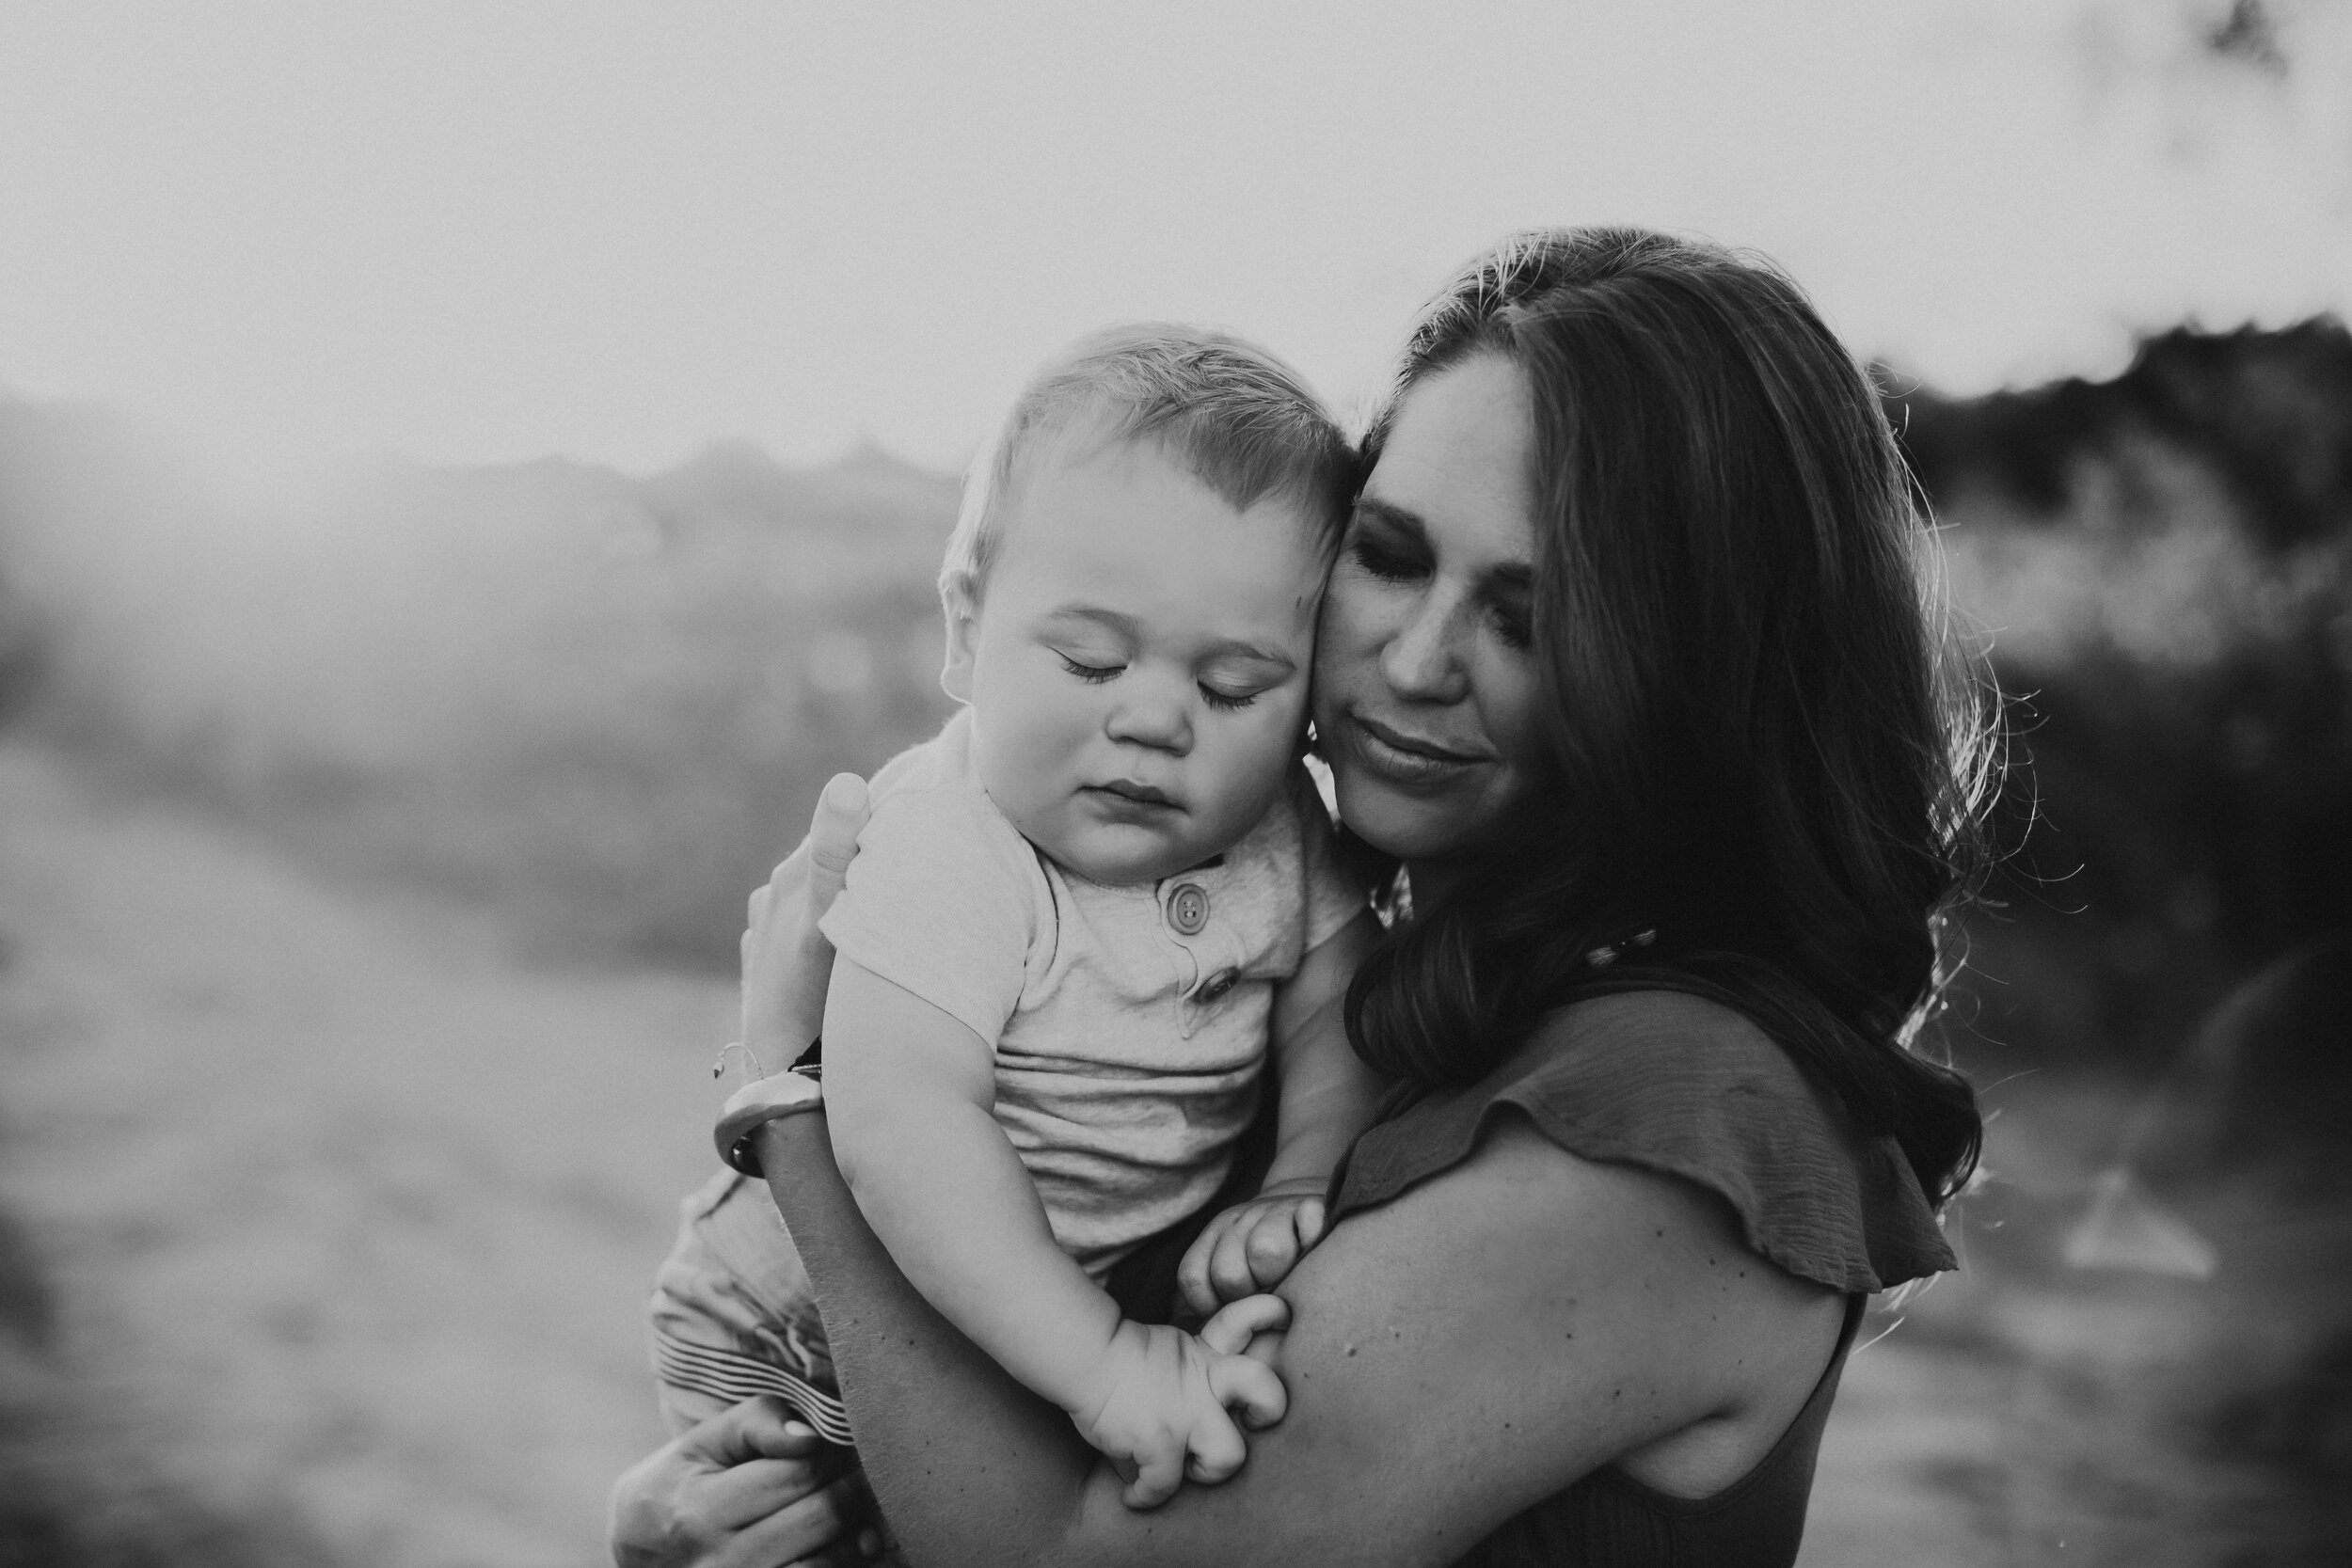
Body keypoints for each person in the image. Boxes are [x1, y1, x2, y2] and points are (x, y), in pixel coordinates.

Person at [612, 225, 1996, 1567]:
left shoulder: (1670, 1117)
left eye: (1529, 614)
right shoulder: (1372, 970)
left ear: (1702, 675)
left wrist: (790, 1093)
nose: (1412, 658)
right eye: (1388, 555)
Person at [645, 324, 1388, 1510]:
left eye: (1232, 685)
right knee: (826, 1523)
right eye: (1092, 661)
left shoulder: (1283, 828)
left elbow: (1331, 1001)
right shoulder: (952, 840)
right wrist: (1099, 1360)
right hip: (804, 1308)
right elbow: (903, 1125)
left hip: (1039, 1296)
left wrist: (1295, 1176)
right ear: (963, 631)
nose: (1155, 716)